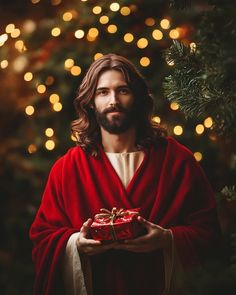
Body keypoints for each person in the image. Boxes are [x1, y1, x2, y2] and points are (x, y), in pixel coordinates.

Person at [29, 53, 221, 295]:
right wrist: (76, 244)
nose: (113, 100)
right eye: (103, 92)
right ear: (90, 102)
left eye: (123, 91)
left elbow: (209, 234)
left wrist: (167, 239)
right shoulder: (67, 169)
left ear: (138, 98)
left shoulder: (177, 161)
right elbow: (43, 239)